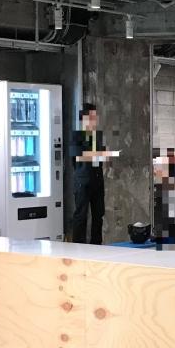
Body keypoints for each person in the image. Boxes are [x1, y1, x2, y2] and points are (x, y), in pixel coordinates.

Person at [71, 102, 113, 244]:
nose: (94, 120)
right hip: (82, 182)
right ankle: (78, 246)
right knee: (81, 215)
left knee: (98, 215)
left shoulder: (97, 136)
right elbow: (77, 158)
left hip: (97, 181)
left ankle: (97, 245)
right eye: (91, 117)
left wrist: (106, 156)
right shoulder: (76, 136)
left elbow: (100, 159)